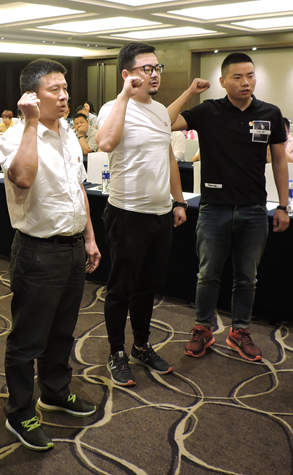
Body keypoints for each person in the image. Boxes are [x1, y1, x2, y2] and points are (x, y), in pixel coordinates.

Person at [0, 58, 101, 452]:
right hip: (38, 252)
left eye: (65, 89)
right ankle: (19, 412)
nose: (63, 96)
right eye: (54, 89)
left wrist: (90, 238)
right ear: (31, 96)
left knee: (62, 331)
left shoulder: (69, 134)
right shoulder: (15, 136)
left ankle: (56, 391)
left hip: (73, 248)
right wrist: (28, 123)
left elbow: (78, 189)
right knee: (28, 338)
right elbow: (23, 178)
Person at [169, 52, 290, 362]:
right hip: (214, 209)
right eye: (237, 77)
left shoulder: (270, 113)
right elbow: (164, 122)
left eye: (250, 76)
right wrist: (189, 92)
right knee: (207, 275)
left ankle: (240, 331)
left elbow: (279, 160)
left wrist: (283, 205)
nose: (245, 82)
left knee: (247, 277)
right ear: (222, 81)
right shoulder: (207, 111)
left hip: (254, 209)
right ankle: (202, 328)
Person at [96, 42, 187, 387]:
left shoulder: (161, 111)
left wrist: (178, 201)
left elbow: (168, 158)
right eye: (146, 69)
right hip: (127, 213)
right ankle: (116, 352)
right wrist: (124, 96)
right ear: (127, 74)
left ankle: (141, 346)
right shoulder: (113, 107)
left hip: (160, 215)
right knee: (121, 288)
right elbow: (105, 143)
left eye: (157, 68)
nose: (154, 74)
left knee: (147, 288)